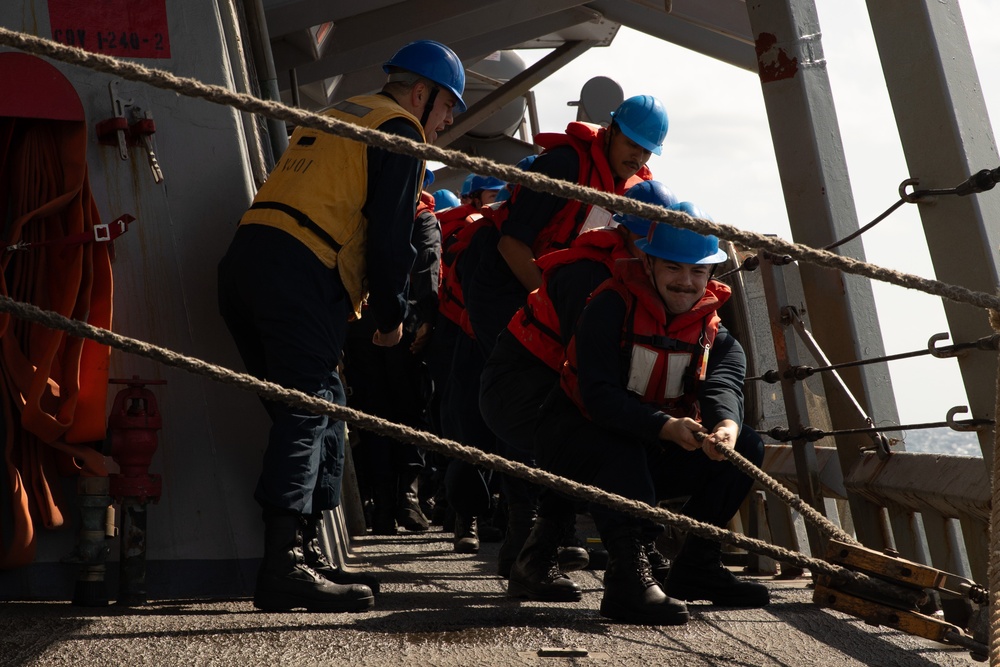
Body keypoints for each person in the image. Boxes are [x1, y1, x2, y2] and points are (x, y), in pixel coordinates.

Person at [217, 39, 466, 613]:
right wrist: (390, 319)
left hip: (245, 263)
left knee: (318, 403)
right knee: (308, 407)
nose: (449, 120)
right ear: (422, 94)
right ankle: (281, 568)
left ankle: (302, 553)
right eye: (449, 105)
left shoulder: (338, 113)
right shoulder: (399, 129)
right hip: (300, 272)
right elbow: (390, 240)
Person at [515, 206, 770, 625]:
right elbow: (598, 397)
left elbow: (723, 386)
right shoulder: (608, 308)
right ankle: (626, 581)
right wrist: (665, 427)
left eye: (698, 271)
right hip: (573, 442)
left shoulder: (716, 336)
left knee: (747, 445)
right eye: (673, 267)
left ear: (711, 276)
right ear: (648, 263)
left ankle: (698, 564)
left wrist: (725, 426)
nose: (686, 282)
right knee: (620, 449)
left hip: (649, 445)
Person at [480, 181, 678, 579]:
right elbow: (588, 370)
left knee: (597, 431)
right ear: (623, 233)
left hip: (550, 386)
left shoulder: (632, 273)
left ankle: (535, 555)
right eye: (645, 241)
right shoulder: (589, 276)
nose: (651, 253)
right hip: (517, 391)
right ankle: (627, 546)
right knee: (595, 437)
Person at [463, 94, 668, 360]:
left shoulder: (629, 193)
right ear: (610, 132)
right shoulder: (562, 165)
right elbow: (510, 244)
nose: (637, 157)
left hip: (551, 297)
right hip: (502, 288)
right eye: (631, 144)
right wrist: (551, 305)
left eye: (646, 150)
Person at [343, 173, 441, 536]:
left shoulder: (362, 211)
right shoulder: (421, 217)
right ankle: (400, 500)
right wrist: (426, 319)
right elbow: (428, 266)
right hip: (392, 324)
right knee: (403, 410)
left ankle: (393, 501)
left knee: (380, 411)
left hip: (371, 321)